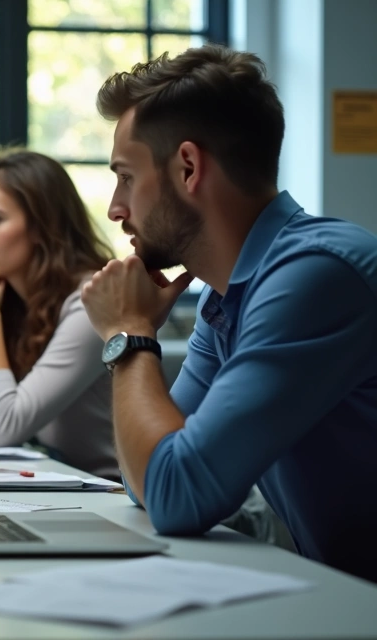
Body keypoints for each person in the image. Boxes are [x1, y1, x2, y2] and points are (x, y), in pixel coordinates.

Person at [82, 44, 377, 582]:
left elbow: (175, 495)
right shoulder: (225, 299)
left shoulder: (317, 275)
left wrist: (129, 334)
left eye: (125, 176)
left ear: (189, 168)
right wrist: (134, 334)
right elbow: (146, 480)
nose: (114, 208)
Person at [0, 149, 117, 479]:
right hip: (68, 486)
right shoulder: (13, 299)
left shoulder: (91, 301)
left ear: (41, 226)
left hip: (120, 494)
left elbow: (4, 429)